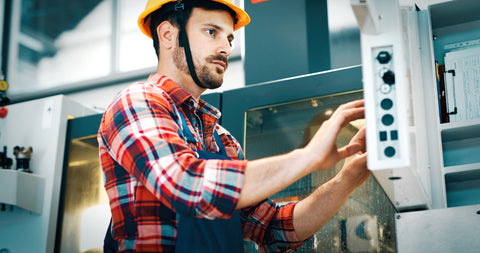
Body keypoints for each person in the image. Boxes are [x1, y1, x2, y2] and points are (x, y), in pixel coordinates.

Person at [97, 0, 370, 252]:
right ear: (168, 35)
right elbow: (186, 185)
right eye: (211, 32)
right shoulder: (137, 100)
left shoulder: (221, 139)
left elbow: (274, 229)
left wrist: (347, 179)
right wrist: (308, 158)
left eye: (229, 38)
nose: (226, 48)